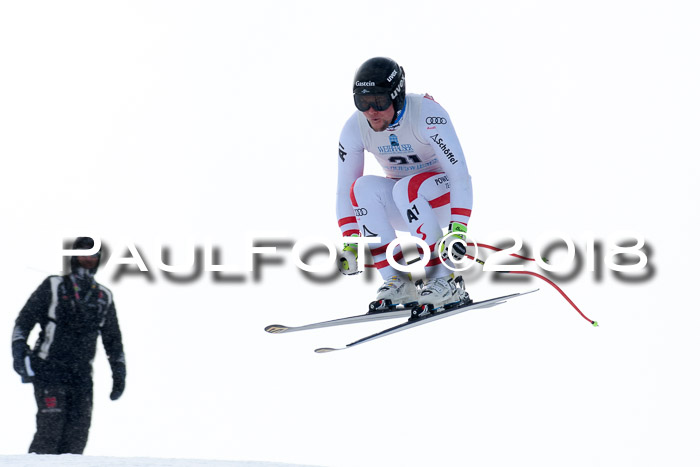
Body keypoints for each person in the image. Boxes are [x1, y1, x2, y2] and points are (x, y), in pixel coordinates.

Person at [336, 57, 473, 316]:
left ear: (397, 97)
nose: (371, 111)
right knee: (361, 188)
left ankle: (445, 281)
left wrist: (458, 229)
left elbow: (459, 175)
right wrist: (351, 242)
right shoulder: (355, 127)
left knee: (404, 188)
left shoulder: (426, 114)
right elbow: (344, 190)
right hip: (403, 204)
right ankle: (398, 280)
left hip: (444, 198)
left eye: (379, 101)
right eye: (362, 102)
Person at [11, 237, 126, 454]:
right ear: (73, 257)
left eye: (94, 255)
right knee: (50, 431)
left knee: (77, 436)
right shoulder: (53, 286)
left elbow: (113, 341)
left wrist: (119, 374)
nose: (88, 259)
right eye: (84, 254)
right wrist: (19, 354)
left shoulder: (104, 297)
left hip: (81, 377)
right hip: (48, 370)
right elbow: (23, 323)